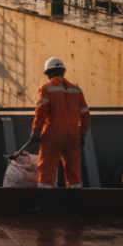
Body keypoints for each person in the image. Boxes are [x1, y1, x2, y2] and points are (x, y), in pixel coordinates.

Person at [30, 57, 90, 197]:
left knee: (47, 169)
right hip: (73, 136)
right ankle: (75, 204)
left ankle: (45, 204)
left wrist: (36, 130)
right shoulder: (77, 90)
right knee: (74, 171)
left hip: (53, 134)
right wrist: (81, 134)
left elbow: (42, 111)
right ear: (63, 71)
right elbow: (85, 115)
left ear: (49, 73)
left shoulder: (46, 88)